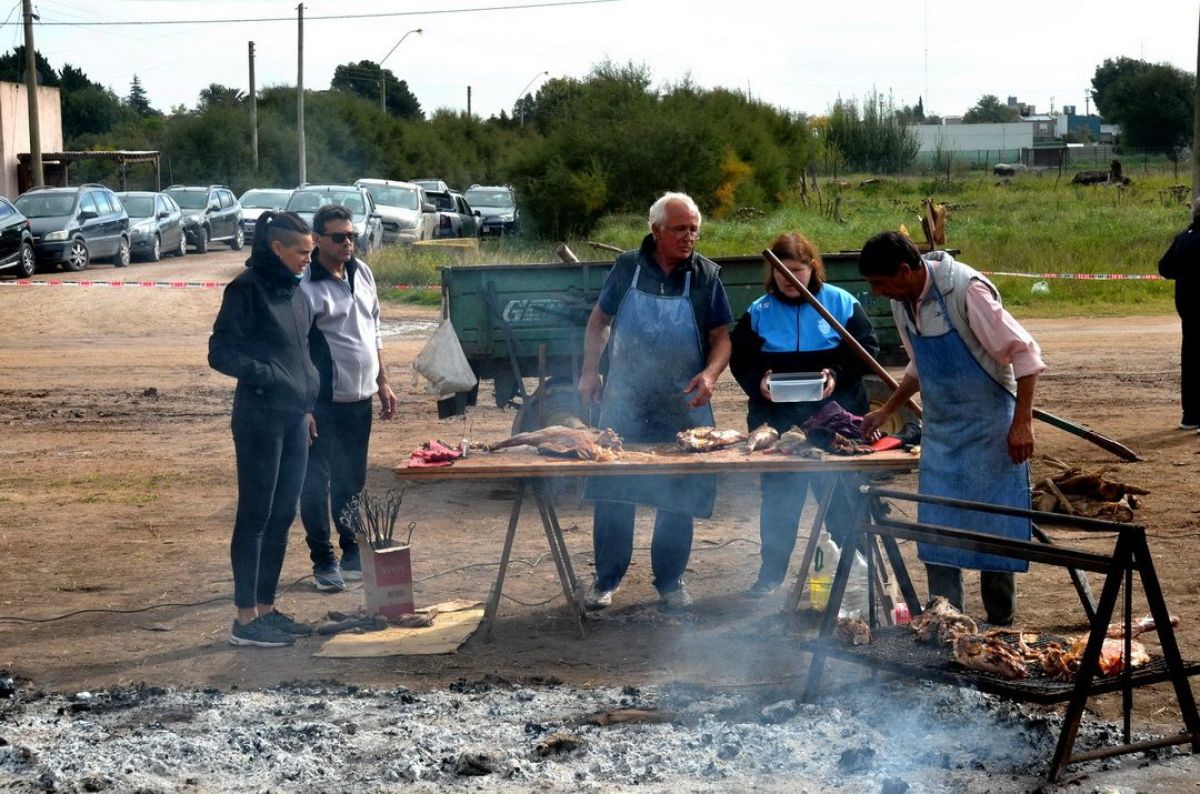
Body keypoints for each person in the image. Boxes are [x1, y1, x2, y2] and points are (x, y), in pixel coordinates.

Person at [858, 231, 1045, 626]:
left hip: (991, 429)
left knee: (995, 529)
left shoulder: (966, 290)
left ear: (905, 271)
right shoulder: (903, 304)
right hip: (942, 434)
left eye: (880, 283)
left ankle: (1000, 627)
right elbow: (919, 367)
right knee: (938, 532)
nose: (877, 292)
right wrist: (887, 409)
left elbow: (1025, 353)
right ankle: (946, 623)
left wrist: (1022, 423)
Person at [578, 192, 733, 610]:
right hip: (625, 399)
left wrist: (711, 373)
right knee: (615, 488)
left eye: (694, 229)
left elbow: (721, 338)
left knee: (678, 493)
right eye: (681, 229)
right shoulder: (627, 268)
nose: (690, 237)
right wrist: (591, 370)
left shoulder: (705, 276)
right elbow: (599, 321)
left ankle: (670, 581)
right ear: (657, 230)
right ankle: (605, 580)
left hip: (683, 403)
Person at [730, 232, 879, 597]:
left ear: (812, 267)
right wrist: (758, 381)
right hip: (777, 420)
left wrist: (837, 374)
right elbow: (739, 359)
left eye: (796, 270)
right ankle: (770, 577)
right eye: (782, 272)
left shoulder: (839, 303)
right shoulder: (759, 311)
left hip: (835, 416)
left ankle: (854, 575)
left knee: (842, 496)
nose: (789, 279)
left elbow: (869, 349)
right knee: (780, 499)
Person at [208, 211, 319, 648]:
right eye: (302, 252)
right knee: (255, 515)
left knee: (282, 515)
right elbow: (220, 353)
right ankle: (244, 619)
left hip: (295, 418)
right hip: (259, 419)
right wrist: (268, 376)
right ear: (278, 248)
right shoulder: (245, 290)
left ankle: (267, 610)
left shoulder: (296, 292)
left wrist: (307, 406)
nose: (308, 260)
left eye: (311, 253)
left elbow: (301, 352)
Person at [299, 205, 398, 592]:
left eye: (351, 236)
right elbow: (299, 350)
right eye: (338, 237)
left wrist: (384, 382)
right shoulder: (306, 285)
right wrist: (304, 407)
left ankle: (352, 551)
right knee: (315, 482)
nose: (347, 243)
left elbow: (374, 332)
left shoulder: (362, 272)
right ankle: (323, 560)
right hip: (322, 403)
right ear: (317, 240)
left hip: (360, 399)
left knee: (351, 480)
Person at [1157, 197, 1200, 432]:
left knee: (1191, 360)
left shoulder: (1184, 237)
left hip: (1188, 308)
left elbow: (1165, 268)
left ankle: (1191, 416)